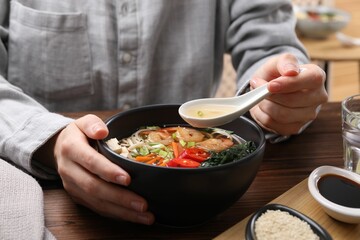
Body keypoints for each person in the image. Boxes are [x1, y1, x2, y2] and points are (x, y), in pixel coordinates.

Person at [0, 0, 327, 227]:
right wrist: (50, 139)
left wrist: (283, 89)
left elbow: (269, 45)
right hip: (40, 194)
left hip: (206, 196)